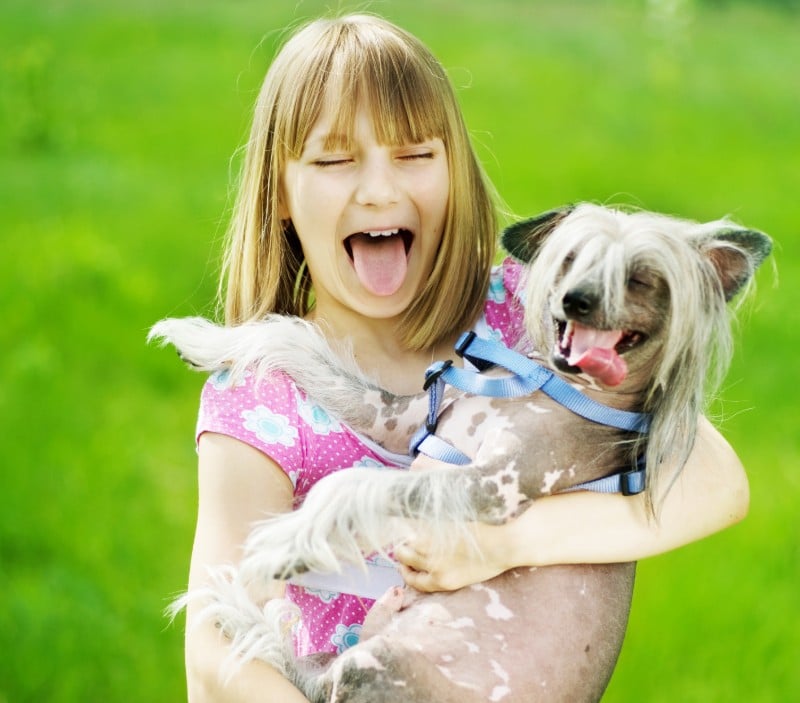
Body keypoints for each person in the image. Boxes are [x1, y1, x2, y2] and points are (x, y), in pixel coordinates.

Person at [174, 13, 749, 702]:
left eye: (414, 154)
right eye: (334, 160)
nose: (379, 189)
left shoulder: (530, 316)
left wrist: (508, 541)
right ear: (280, 196)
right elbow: (215, 641)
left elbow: (718, 482)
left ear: (457, 171)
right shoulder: (265, 395)